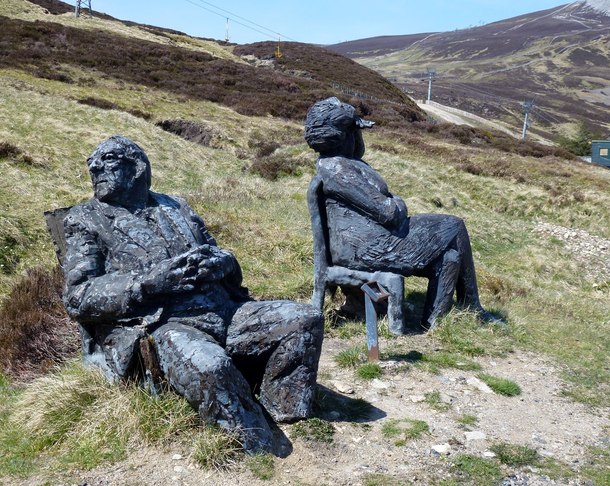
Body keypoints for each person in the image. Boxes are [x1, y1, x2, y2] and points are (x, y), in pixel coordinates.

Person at [62, 135, 323, 453]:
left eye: (109, 159)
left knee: (304, 319)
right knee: (210, 368)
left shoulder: (175, 205)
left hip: (225, 308)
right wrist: (149, 284)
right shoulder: (84, 219)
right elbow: (78, 296)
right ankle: (261, 446)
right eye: (92, 162)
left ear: (137, 168)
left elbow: (215, 249)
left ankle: (286, 410)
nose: (95, 166)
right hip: (165, 325)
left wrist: (224, 262)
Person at [304, 97, 497, 328]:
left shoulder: (345, 163)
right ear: (345, 134)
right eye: (356, 130)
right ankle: (472, 306)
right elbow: (388, 213)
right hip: (366, 250)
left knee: (451, 256)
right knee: (454, 225)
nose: (359, 136)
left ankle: (434, 322)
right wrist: (398, 201)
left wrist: (392, 202)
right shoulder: (337, 168)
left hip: (372, 241)